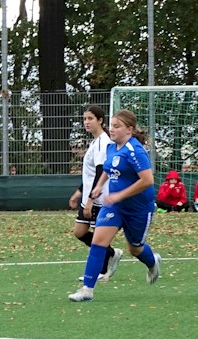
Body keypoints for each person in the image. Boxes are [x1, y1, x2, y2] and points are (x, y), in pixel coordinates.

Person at [69, 109, 162, 302]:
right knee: (98, 242)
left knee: (134, 248)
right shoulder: (112, 147)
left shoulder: (135, 150)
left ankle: (153, 262)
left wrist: (120, 194)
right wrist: (100, 187)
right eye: (111, 125)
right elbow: (108, 168)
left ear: (129, 129)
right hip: (115, 206)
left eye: (116, 126)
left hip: (139, 209)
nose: (112, 129)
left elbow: (147, 180)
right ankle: (87, 289)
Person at [67, 106, 123, 284]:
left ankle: (102, 269)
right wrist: (79, 192)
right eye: (84, 119)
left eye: (90, 118)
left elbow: (101, 173)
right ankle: (112, 253)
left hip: (98, 198)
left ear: (100, 120)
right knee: (79, 232)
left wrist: (91, 200)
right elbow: (90, 173)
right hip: (88, 197)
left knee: (99, 237)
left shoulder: (103, 142)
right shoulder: (94, 141)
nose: (86, 122)